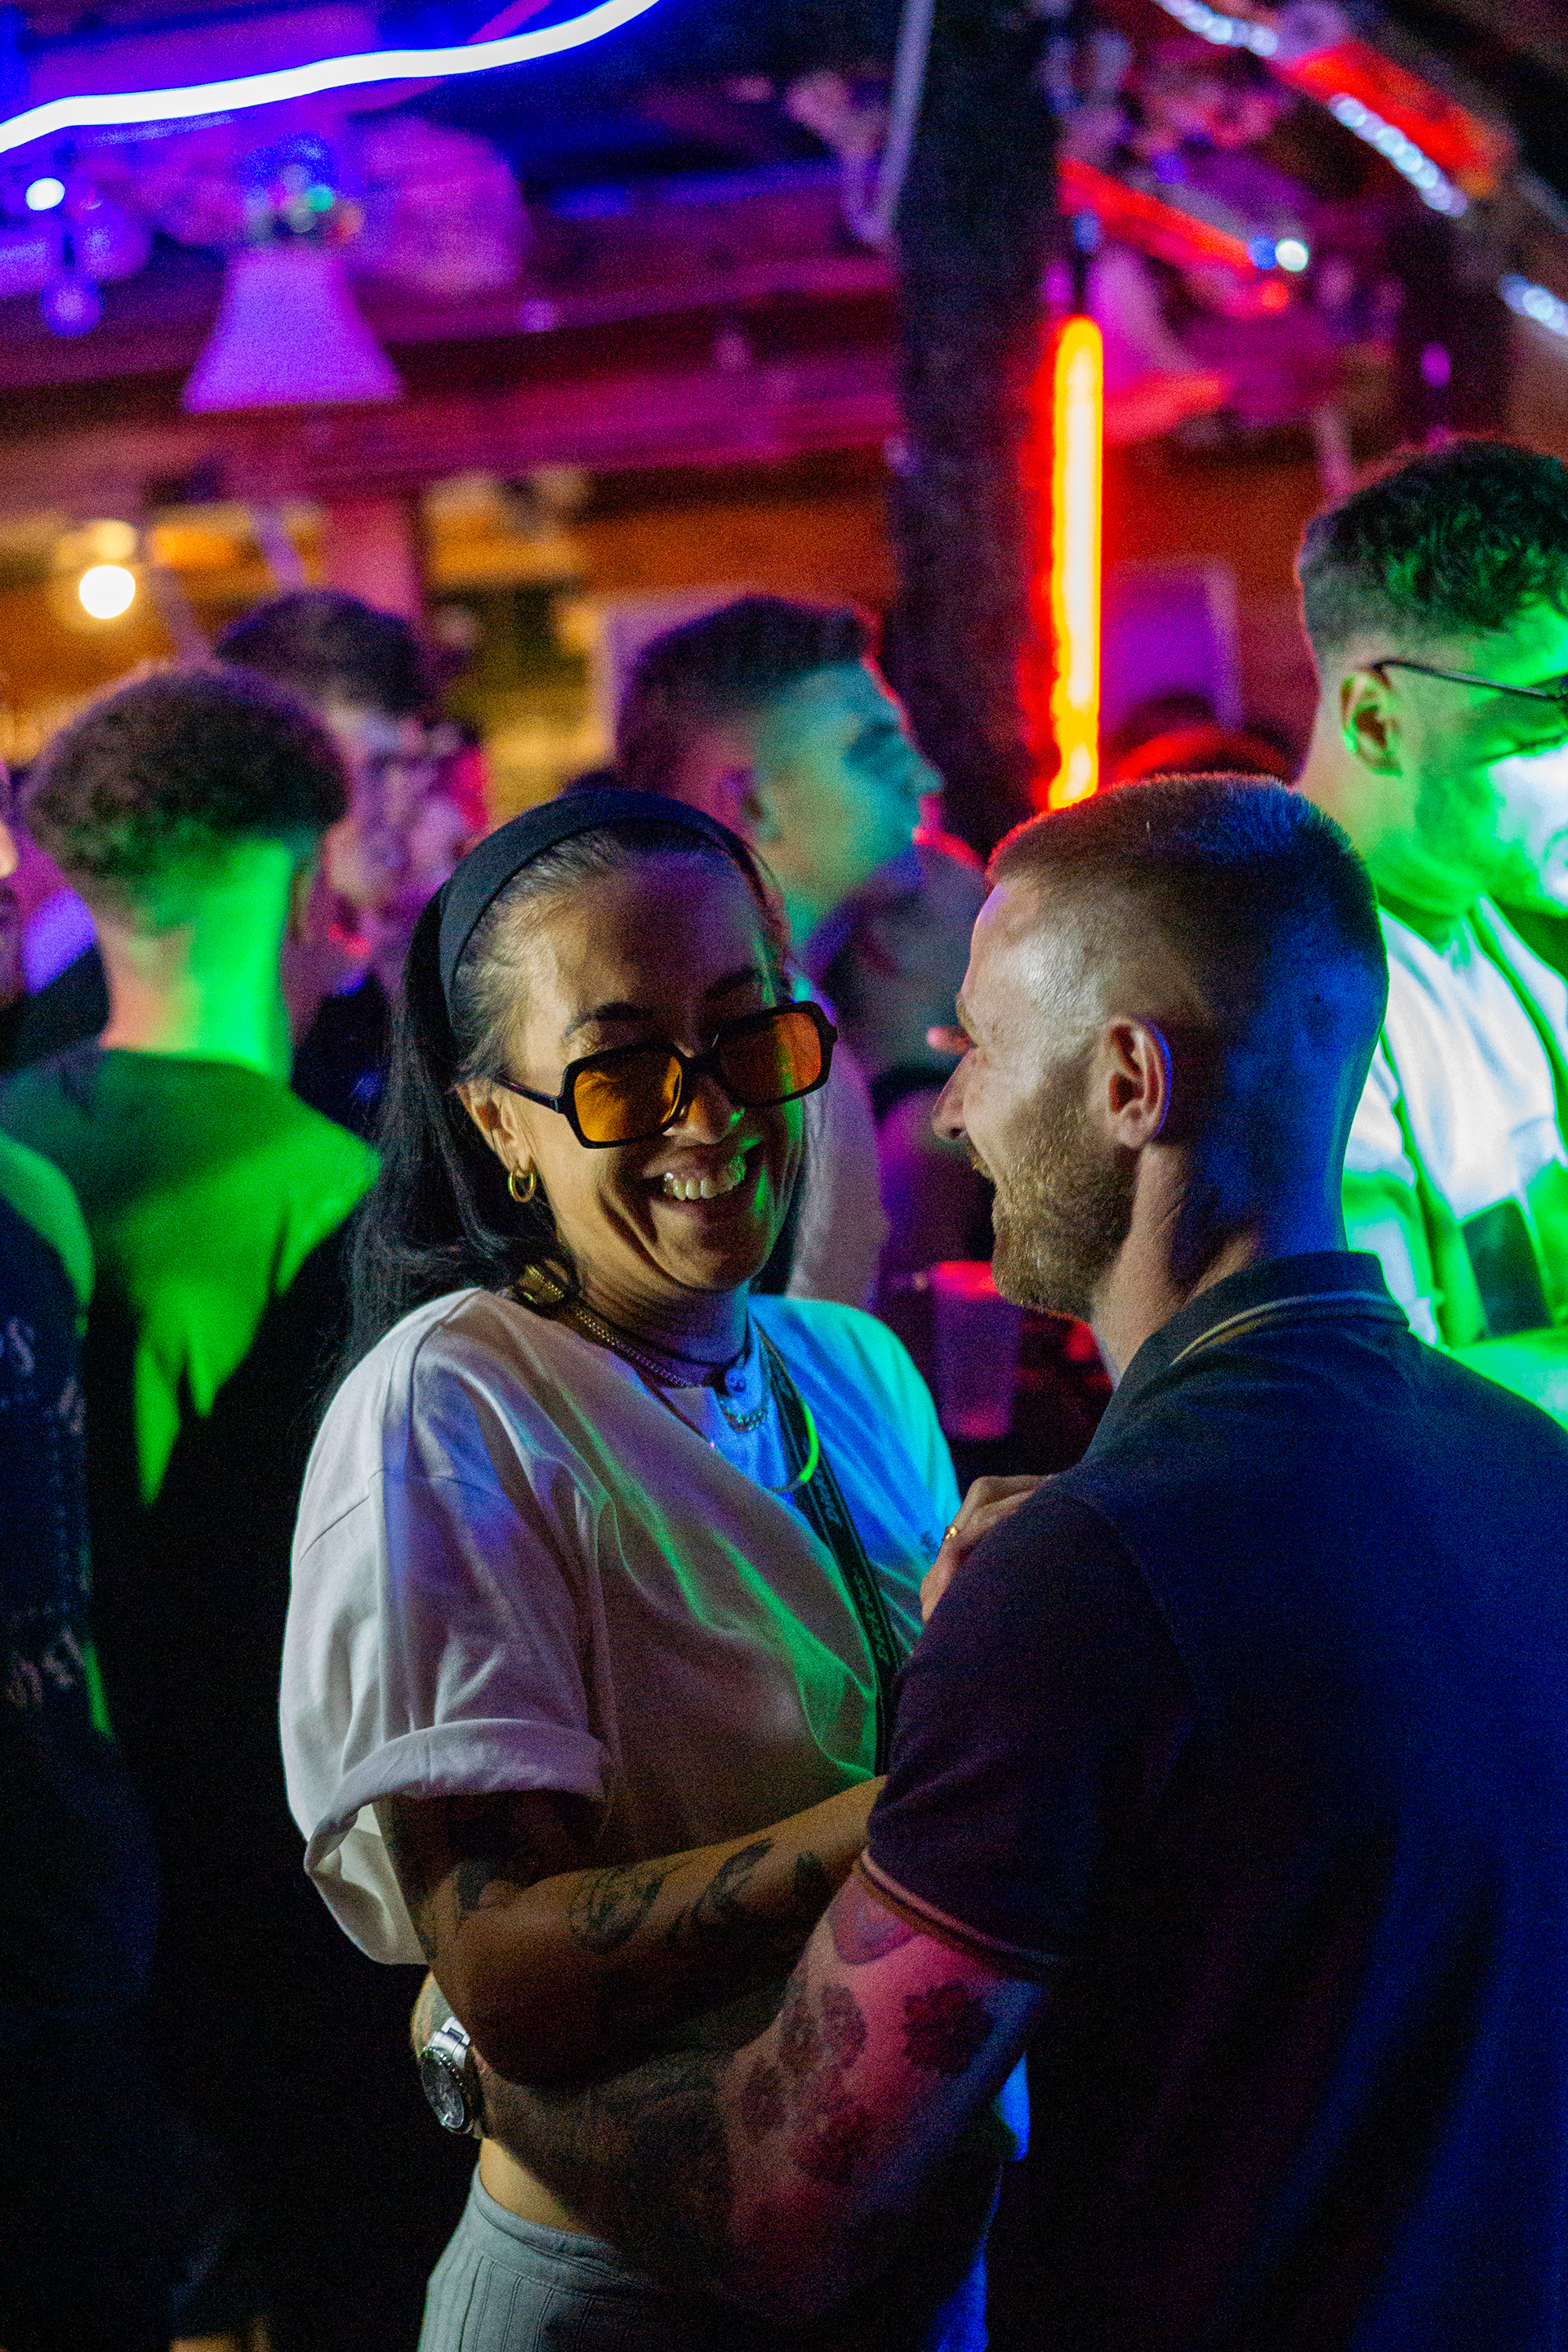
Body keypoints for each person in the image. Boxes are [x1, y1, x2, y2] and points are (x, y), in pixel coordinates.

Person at [460, 777, 1568, 2350]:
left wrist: (484, 2065)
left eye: (981, 1044)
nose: (954, 1109)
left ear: (1126, 1082)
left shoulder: (1086, 1581)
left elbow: (785, 2204)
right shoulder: (1526, 1467)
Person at [283, 788, 1029, 2351]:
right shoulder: (460, 1405)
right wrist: (937, 1806)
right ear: (499, 1124)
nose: (710, 1113)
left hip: (919, 2284)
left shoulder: (854, 1371)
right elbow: (502, 1976)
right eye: (621, 1067)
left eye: (747, 1031)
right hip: (619, 2302)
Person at [0, 666, 469, 2352]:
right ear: (309, 878)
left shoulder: (16, 1151)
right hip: (251, 1903)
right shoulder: (333, 1193)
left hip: (55, 1891)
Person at [1296, 438, 1568, 1419]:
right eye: (1553, 716)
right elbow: (1360, 1398)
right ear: (1376, 720)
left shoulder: (1511, 927)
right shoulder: (1285, 987)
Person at [617, 595, 991, 1285]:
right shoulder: (736, 1057)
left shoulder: (785, 1021)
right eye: (876, 752)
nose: (925, 779)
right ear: (752, 805)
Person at [216, 587, 465, 1136]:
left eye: (419, 766)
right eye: (378, 768)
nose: (413, 800)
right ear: (271, 778)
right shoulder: (189, 1023)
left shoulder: (363, 990)